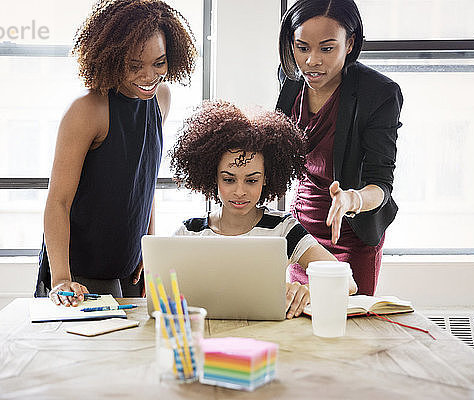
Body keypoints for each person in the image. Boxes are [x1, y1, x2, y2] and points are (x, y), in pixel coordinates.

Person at [35, 0, 197, 306]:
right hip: (79, 274)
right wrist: (61, 281)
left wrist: (147, 252)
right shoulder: (87, 110)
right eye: (135, 66)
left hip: (130, 269)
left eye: (159, 63)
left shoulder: (160, 98)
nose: (149, 76)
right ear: (111, 57)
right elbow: (58, 201)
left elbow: (143, 183)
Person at [170, 100, 357, 319]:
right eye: (229, 180)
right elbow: (164, 291)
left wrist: (308, 291)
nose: (240, 191)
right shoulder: (189, 232)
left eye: (251, 181)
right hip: (205, 334)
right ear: (213, 177)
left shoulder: (284, 229)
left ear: (266, 179)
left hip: (272, 336)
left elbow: (348, 283)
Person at [276, 0, 403, 295]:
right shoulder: (290, 80)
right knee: (298, 324)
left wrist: (350, 200)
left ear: (350, 44)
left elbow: (381, 185)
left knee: (348, 327)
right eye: (302, 47)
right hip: (302, 229)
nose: (311, 61)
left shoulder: (379, 93)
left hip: (352, 233)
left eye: (327, 48)